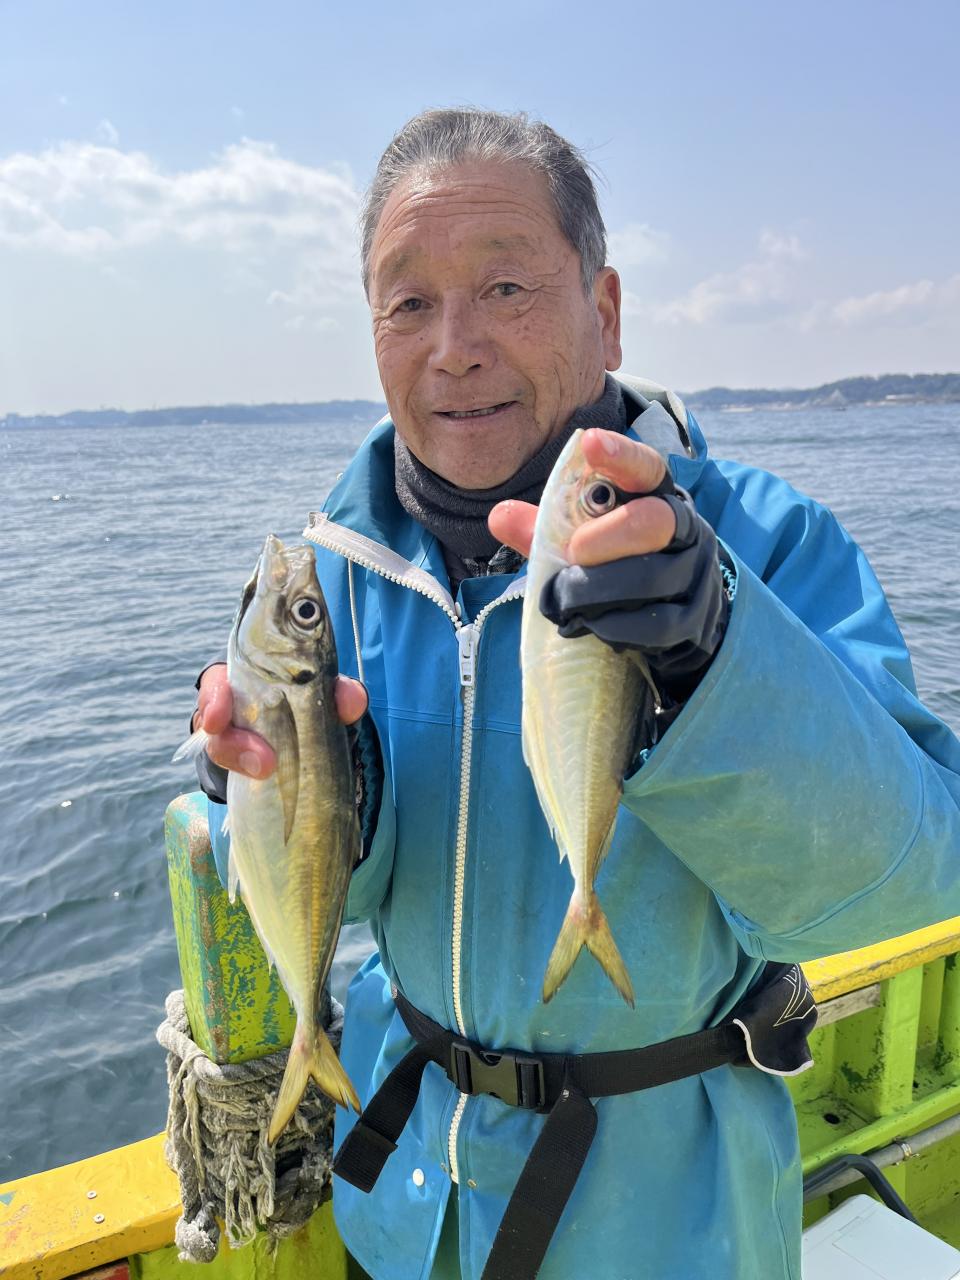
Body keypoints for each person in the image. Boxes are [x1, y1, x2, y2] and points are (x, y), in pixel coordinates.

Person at [191, 109, 960, 1280]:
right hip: (404, 1196)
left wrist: (717, 653)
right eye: (409, 302)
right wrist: (289, 784)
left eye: (505, 287)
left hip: (667, 1220)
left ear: (605, 309)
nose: (455, 347)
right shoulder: (335, 569)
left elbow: (903, 880)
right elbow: (345, 890)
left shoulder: (767, 541)